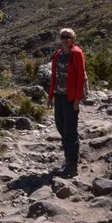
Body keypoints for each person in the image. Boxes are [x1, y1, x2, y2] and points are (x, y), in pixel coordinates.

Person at [47, 28, 86, 177]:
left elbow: (80, 78)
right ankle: (68, 159)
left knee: (70, 130)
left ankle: (72, 165)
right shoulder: (58, 54)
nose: (65, 40)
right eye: (63, 37)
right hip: (59, 96)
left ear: (73, 39)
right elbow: (54, 76)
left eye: (68, 37)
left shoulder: (76, 53)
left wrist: (77, 100)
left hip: (70, 98)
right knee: (60, 127)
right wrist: (50, 96)